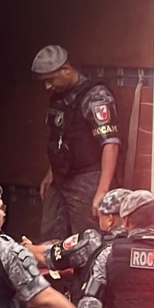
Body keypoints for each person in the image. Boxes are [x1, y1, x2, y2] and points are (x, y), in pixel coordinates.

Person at [32, 45, 122, 242]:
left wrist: (102, 192)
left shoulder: (96, 96)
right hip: (60, 177)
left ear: (66, 69)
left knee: (88, 241)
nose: (47, 87)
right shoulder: (59, 96)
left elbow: (111, 144)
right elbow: (60, 138)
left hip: (88, 177)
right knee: (50, 239)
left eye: (50, 79)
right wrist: (50, 173)